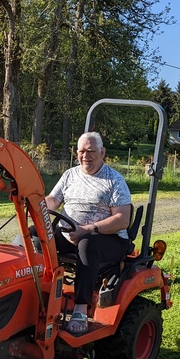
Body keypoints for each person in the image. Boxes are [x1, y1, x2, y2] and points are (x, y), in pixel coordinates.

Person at [46, 132, 131, 334]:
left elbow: (122, 219)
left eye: (91, 151)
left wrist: (86, 229)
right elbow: (53, 201)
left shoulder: (114, 180)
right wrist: (33, 201)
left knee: (87, 244)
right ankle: (37, 294)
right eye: (82, 151)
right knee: (34, 236)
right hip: (69, 233)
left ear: (102, 152)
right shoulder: (69, 175)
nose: (86, 156)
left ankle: (80, 308)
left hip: (107, 239)